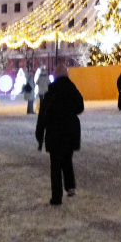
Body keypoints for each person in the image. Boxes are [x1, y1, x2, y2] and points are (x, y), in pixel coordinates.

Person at [35, 64, 84, 206]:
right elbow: (80, 107)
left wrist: (39, 135)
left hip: (54, 133)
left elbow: (43, 116)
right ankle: (70, 186)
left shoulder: (51, 93)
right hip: (70, 132)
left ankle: (56, 197)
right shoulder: (73, 90)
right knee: (67, 159)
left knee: (55, 164)